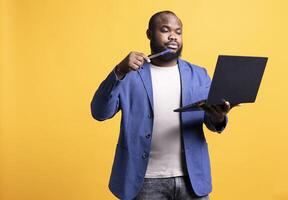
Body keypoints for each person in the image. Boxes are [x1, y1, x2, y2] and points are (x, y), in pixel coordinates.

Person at [91, 10, 233, 200]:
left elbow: (211, 121)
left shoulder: (199, 74)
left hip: (192, 180)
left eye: (178, 32)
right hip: (143, 181)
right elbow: (100, 112)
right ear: (149, 34)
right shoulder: (130, 75)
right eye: (165, 30)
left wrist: (218, 117)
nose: (173, 36)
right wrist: (118, 71)